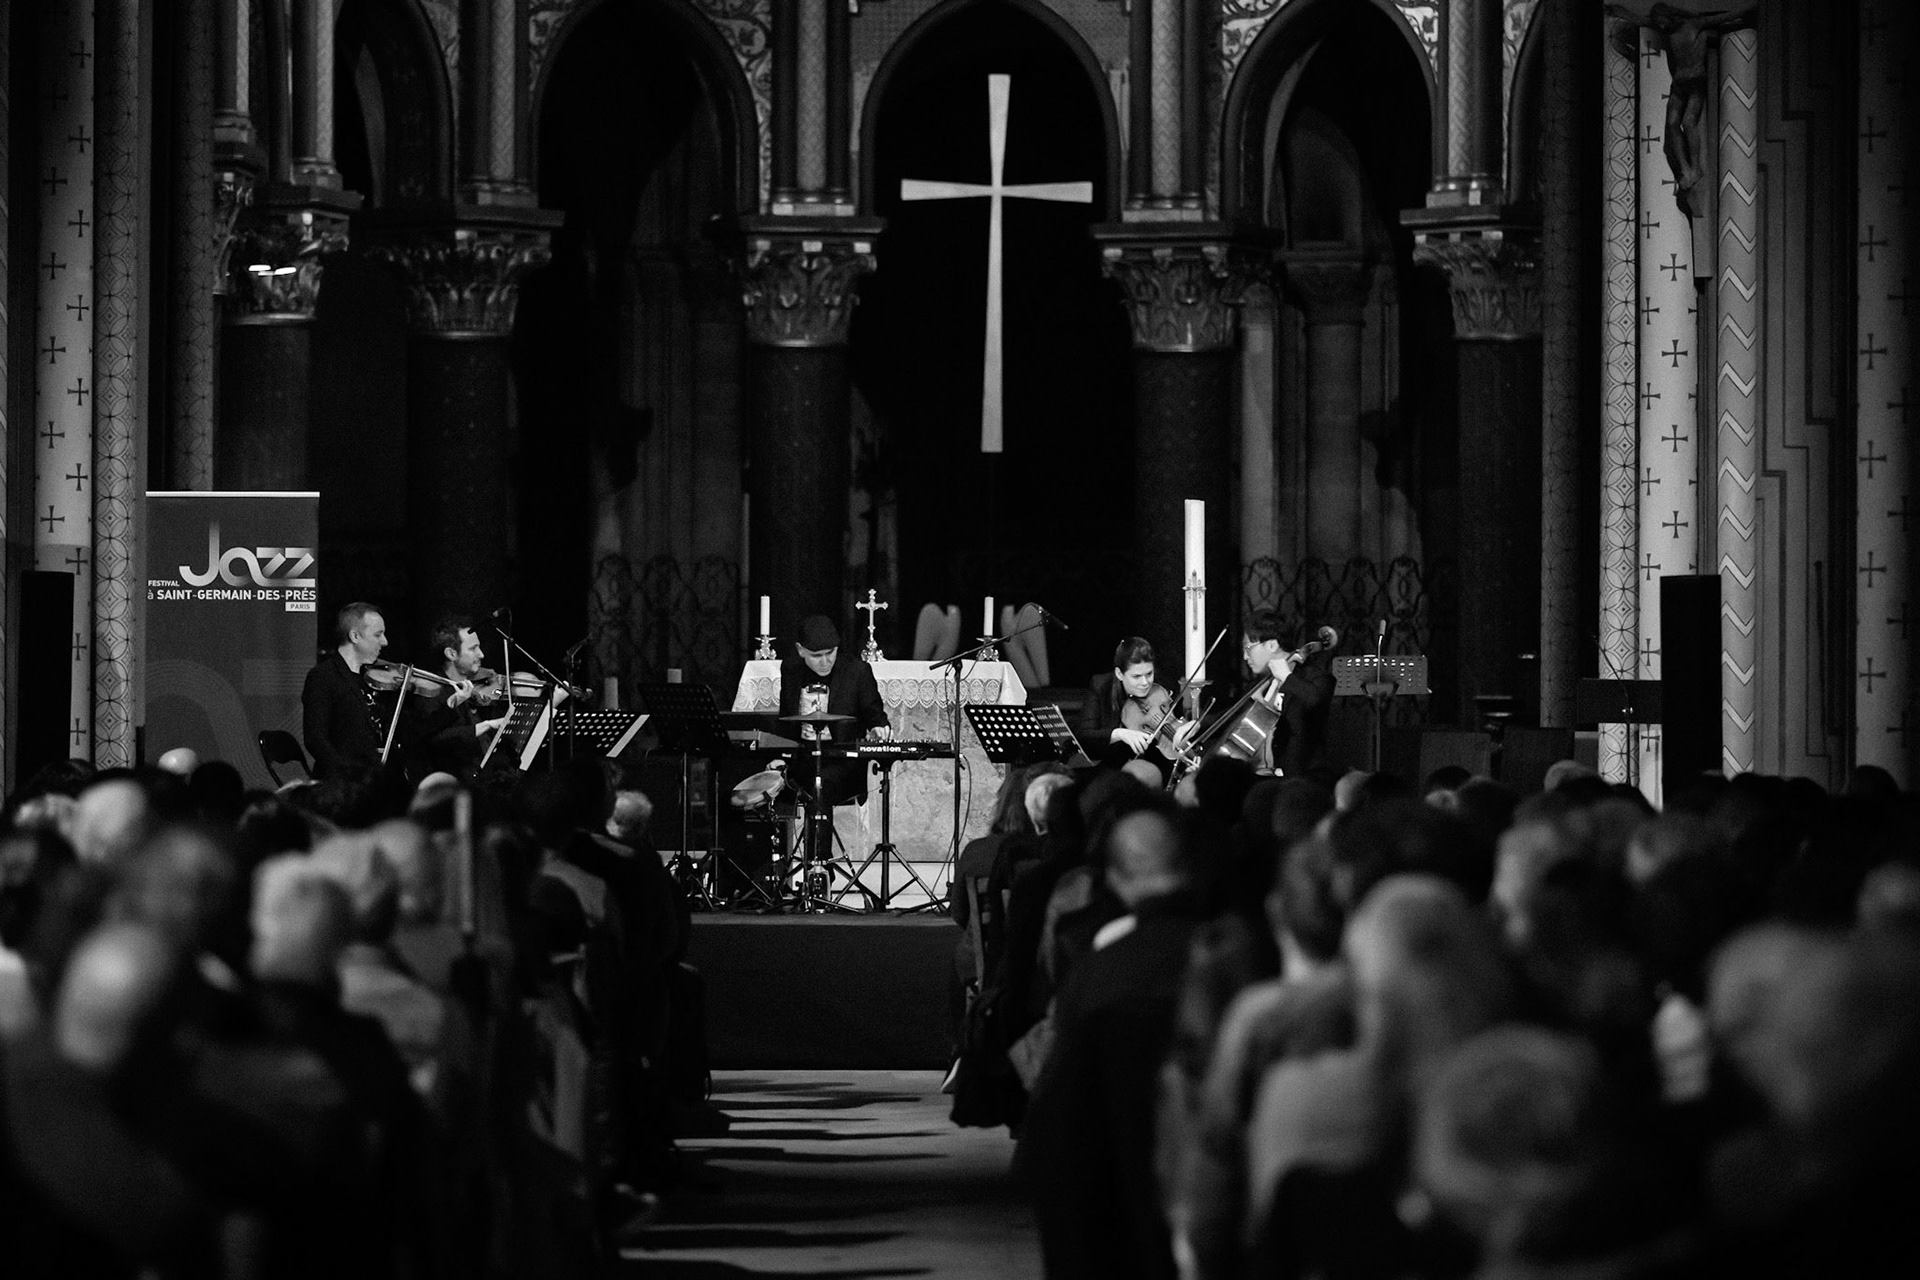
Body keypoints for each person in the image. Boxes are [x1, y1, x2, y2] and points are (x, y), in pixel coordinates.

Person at [775, 615, 891, 808]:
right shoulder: (790, 669)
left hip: (842, 761)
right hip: (802, 757)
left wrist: (878, 729)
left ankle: (819, 838)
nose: (825, 662)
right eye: (816, 656)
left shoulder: (857, 671)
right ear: (800, 650)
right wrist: (778, 757)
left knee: (820, 785)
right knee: (771, 781)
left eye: (830, 653)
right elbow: (785, 718)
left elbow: (875, 717)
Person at [402, 616, 511, 780]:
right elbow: (435, 739)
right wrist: (486, 725)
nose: (481, 654)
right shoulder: (431, 691)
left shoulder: (479, 688)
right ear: (451, 653)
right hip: (455, 783)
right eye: (473, 648)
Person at [1237, 609, 1336, 779]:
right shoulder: (1263, 685)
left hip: (1300, 781)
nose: (1245, 656)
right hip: (1262, 778)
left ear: (1272, 645)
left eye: (1248, 648)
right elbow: (1231, 715)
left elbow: (1315, 701)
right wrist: (1196, 725)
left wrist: (1287, 677)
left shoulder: (1315, 678)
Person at [302, 602, 391, 779]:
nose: (385, 641)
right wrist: (344, 772)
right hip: (343, 784)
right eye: (378, 635)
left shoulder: (372, 680)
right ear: (355, 636)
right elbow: (315, 738)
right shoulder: (324, 676)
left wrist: (448, 709)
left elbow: (407, 731)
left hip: (372, 778)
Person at [1080, 637, 1191, 772]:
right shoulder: (1101, 686)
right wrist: (1120, 734)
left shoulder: (1162, 685)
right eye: (1136, 676)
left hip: (1155, 766)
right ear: (1119, 674)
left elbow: (1180, 720)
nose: (1145, 682)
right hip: (1112, 768)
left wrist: (1187, 735)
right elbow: (1084, 735)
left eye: (1149, 674)